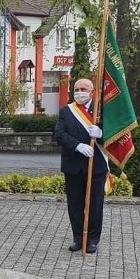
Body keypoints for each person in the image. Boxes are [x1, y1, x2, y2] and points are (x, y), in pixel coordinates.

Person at [53, 78, 106, 254]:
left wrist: (101, 133)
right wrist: (78, 146)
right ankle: (78, 237)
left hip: (96, 166)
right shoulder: (66, 112)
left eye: (84, 89)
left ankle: (92, 239)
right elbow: (59, 134)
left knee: (95, 204)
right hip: (73, 164)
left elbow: (114, 137)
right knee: (74, 204)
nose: (80, 91)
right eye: (76, 89)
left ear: (92, 92)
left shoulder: (100, 111)